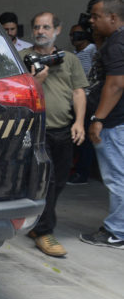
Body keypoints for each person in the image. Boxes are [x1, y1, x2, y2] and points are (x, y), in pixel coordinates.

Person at [20, 11, 87, 257]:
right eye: (37, 27)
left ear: (57, 30)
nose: (41, 31)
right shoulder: (22, 58)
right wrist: (36, 80)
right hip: (36, 130)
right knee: (46, 182)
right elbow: (16, 91)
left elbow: (78, 91)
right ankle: (44, 231)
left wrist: (79, 122)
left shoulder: (68, 59)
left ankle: (37, 222)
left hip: (63, 129)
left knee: (58, 182)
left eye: (46, 27)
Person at [81, 0, 124, 249]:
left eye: (96, 17)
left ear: (113, 17)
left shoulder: (116, 45)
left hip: (113, 123)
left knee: (117, 177)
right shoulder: (115, 41)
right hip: (118, 121)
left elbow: (116, 84)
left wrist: (98, 118)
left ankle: (117, 231)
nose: (92, 21)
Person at [68, 22, 98, 185]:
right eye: (72, 34)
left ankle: (82, 173)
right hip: (74, 100)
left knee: (84, 139)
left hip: (87, 101)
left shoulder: (92, 51)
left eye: (78, 34)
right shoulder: (74, 54)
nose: (74, 37)